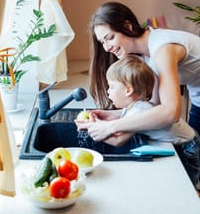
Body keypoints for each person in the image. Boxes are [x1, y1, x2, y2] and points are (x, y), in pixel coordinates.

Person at [82, 1, 200, 141]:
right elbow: (154, 106)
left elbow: (171, 112)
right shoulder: (145, 56)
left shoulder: (163, 51)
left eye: (110, 38)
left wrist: (112, 126)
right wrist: (115, 115)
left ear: (128, 27)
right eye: (103, 42)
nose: (107, 48)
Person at [85, 55, 200, 189]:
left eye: (111, 86)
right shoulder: (136, 106)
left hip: (187, 147)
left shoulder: (139, 111)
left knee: (186, 186)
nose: (108, 91)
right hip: (189, 138)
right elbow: (122, 119)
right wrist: (104, 117)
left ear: (128, 90)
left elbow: (118, 140)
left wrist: (91, 128)